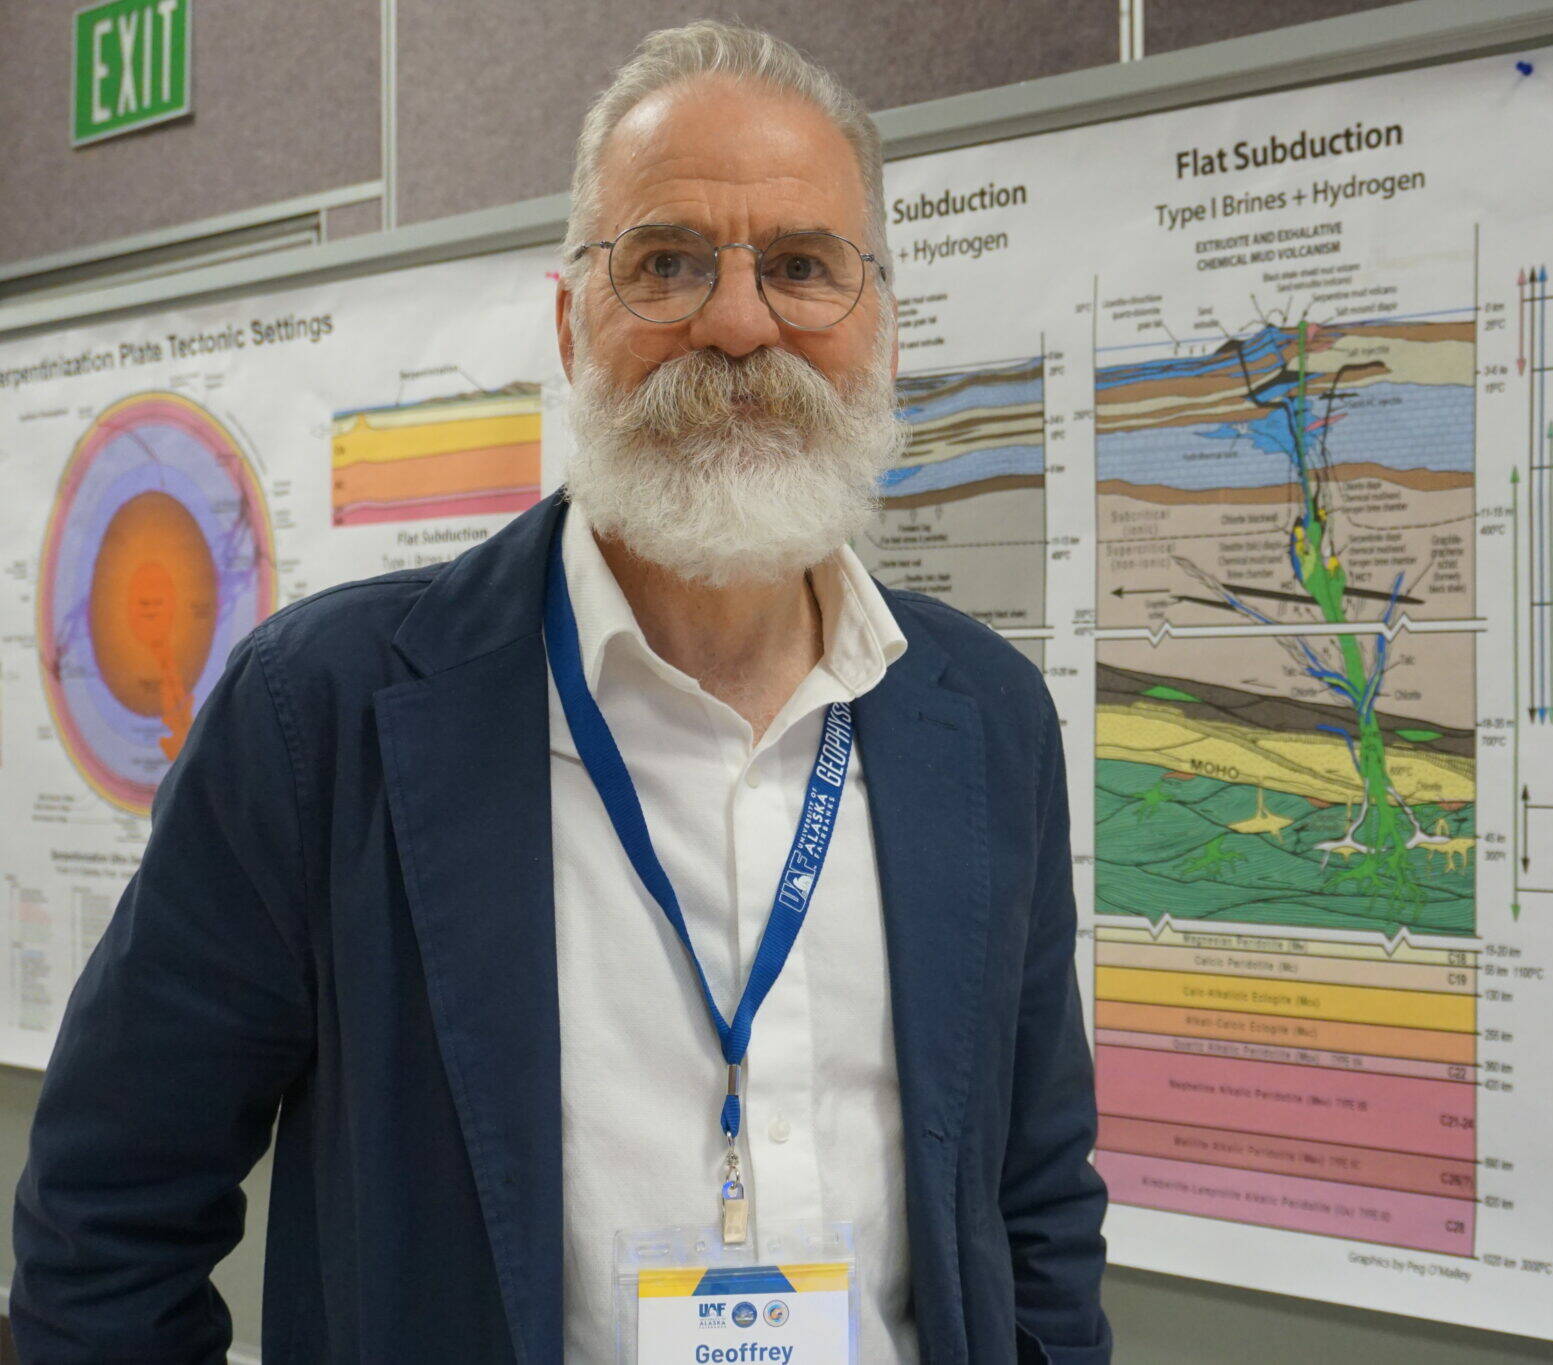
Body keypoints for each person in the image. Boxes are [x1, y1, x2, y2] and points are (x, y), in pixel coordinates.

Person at [11, 22, 1109, 1364]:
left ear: (876, 323)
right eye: (667, 262)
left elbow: (1037, 1203)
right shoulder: (322, 715)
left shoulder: (985, 719)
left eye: (803, 267)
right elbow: (107, 1216)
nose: (738, 321)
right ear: (569, 316)